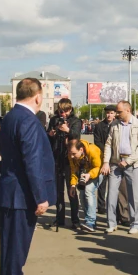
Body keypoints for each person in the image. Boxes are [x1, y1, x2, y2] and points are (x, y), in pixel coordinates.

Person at [0, 78, 56, 275]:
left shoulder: (12, 116)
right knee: (16, 245)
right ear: (38, 96)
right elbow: (32, 161)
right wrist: (41, 196)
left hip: (13, 191)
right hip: (21, 195)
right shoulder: (28, 121)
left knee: (13, 244)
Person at [101, 100, 138, 234]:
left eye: (119, 111)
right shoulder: (115, 125)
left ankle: (135, 223)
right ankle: (111, 223)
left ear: (128, 110)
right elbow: (109, 144)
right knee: (111, 194)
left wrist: (128, 161)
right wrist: (106, 162)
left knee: (134, 196)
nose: (117, 114)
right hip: (116, 163)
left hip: (133, 165)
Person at [47, 98, 81, 228]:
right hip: (56, 158)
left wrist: (68, 130)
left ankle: (75, 219)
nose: (63, 114)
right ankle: (59, 218)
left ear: (70, 109)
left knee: (71, 190)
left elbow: (77, 136)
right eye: (61, 111)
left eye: (66, 111)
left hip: (70, 160)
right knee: (58, 192)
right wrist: (50, 134)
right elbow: (48, 139)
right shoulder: (54, 120)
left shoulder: (75, 121)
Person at [68, 138, 102, 233]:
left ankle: (90, 222)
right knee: (82, 195)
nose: (72, 156)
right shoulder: (71, 155)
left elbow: (98, 167)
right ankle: (90, 220)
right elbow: (73, 170)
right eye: (70, 153)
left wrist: (89, 175)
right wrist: (73, 185)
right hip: (85, 173)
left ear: (81, 150)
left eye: (74, 154)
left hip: (98, 171)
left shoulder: (93, 150)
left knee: (89, 190)